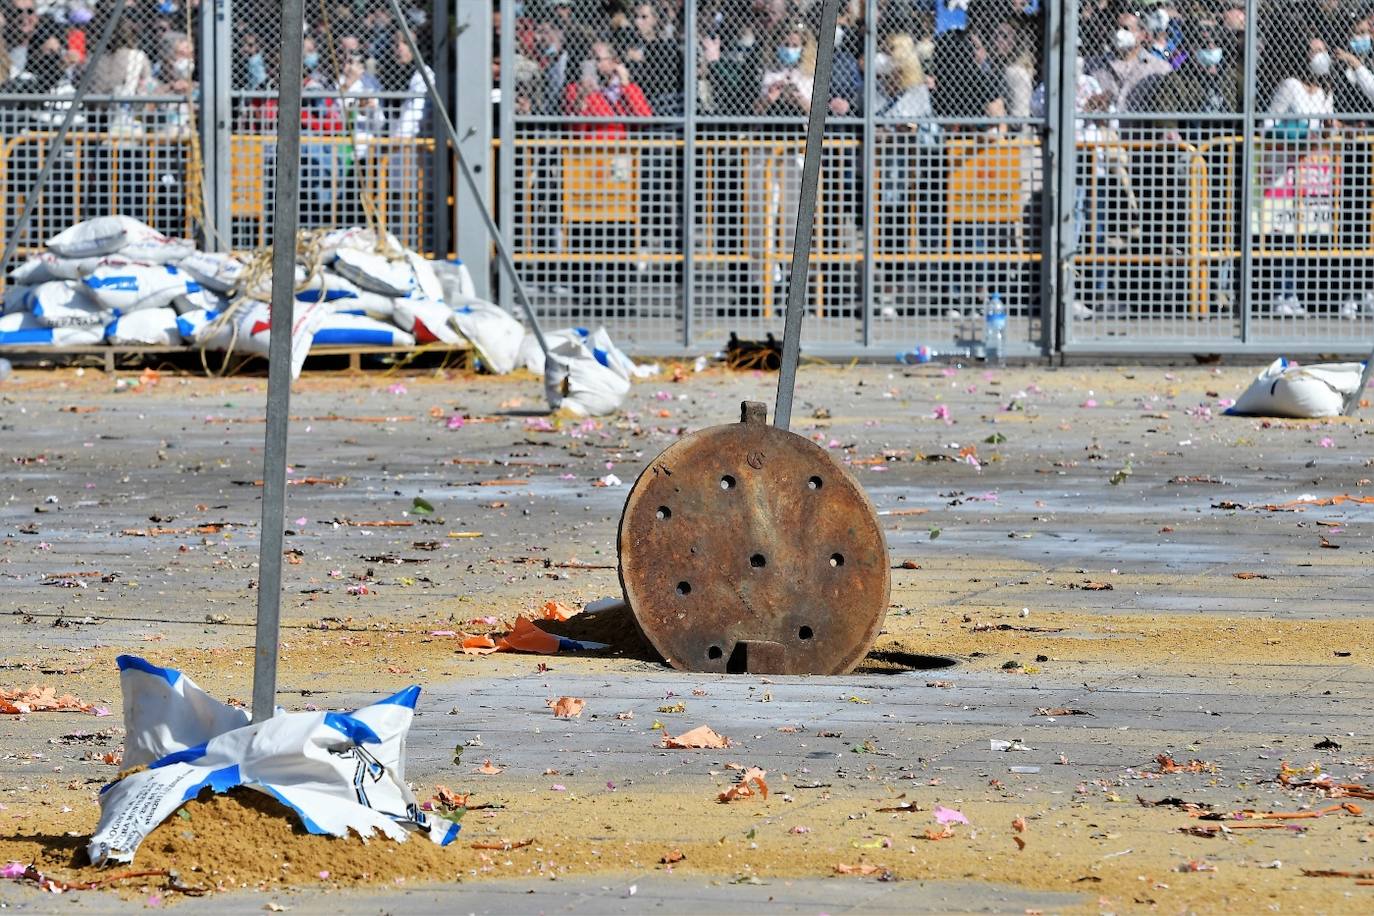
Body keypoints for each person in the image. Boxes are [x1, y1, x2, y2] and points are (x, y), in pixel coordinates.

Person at [1260, 38, 1335, 316]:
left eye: (1322, 51)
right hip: (1283, 167)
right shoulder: (1291, 85)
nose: (1319, 56)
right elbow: (1267, 123)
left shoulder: (1327, 90)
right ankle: (1282, 292)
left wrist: (1329, 130)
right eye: (1314, 50)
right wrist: (1295, 137)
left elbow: (1327, 127)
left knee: (1309, 230)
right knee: (1284, 231)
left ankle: (1298, 293)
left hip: (1314, 169)